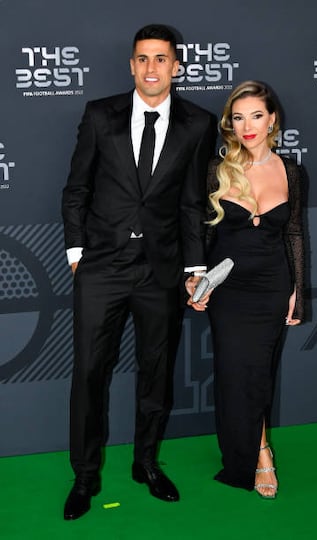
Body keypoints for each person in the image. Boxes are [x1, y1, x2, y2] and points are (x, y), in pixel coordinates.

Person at [61, 23, 217, 520]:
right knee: (88, 373)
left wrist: (195, 267)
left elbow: (193, 203)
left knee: (157, 373)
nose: (152, 68)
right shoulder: (99, 115)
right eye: (143, 59)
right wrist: (75, 255)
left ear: (176, 66)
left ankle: (146, 462)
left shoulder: (197, 123)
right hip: (101, 267)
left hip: (161, 271)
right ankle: (85, 476)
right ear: (132, 65)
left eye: (161, 59)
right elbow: (76, 190)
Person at [189, 80, 305, 499]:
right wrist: (196, 279)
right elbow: (199, 233)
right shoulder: (216, 170)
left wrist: (298, 290)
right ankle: (253, 452)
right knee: (236, 374)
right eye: (238, 118)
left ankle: (261, 452)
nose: (247, 126)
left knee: (260, 373)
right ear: (230, 124)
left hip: (273, 285)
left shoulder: (291, 171)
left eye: (256, 115)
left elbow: (293, 234)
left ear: (272, 119)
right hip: (231, 289)